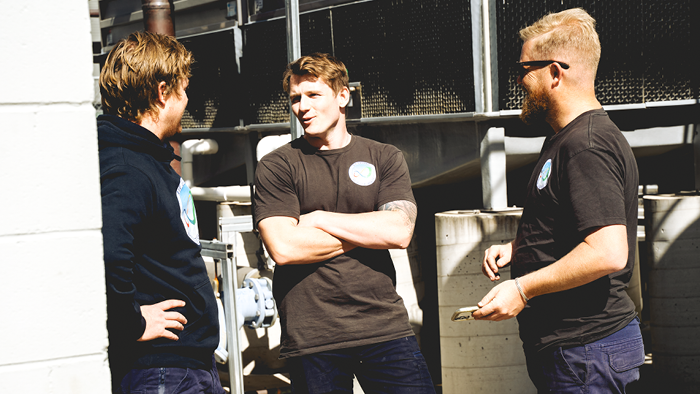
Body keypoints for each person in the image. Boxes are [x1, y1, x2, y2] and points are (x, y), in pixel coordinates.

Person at [474, 8, 644, 393]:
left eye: (524, 69)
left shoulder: (586, 146)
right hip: (579, 352)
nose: (518, 80)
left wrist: (521, 289)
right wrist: (519, 247)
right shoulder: (567, 139)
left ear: (555, 72)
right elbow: (575, 223)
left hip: (585, 351)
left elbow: (607, 252)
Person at [253, 53, 435, 394]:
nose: (302, 107)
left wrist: (319, 219)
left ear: (342, 96)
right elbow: (285, 248)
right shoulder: (277, 166)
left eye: (313, 95)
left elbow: (399, 231)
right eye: (295, 98)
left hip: (384, 327)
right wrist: (370, 231)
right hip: (312, 336)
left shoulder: (384, 157)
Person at [98, 31, 224, 394]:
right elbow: (109, 255)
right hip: (162, 369)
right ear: (162, 91)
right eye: (183, 90)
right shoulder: (126, 167)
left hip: (186, 363)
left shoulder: (145, 161)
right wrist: (131, 325)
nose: (187, 100)